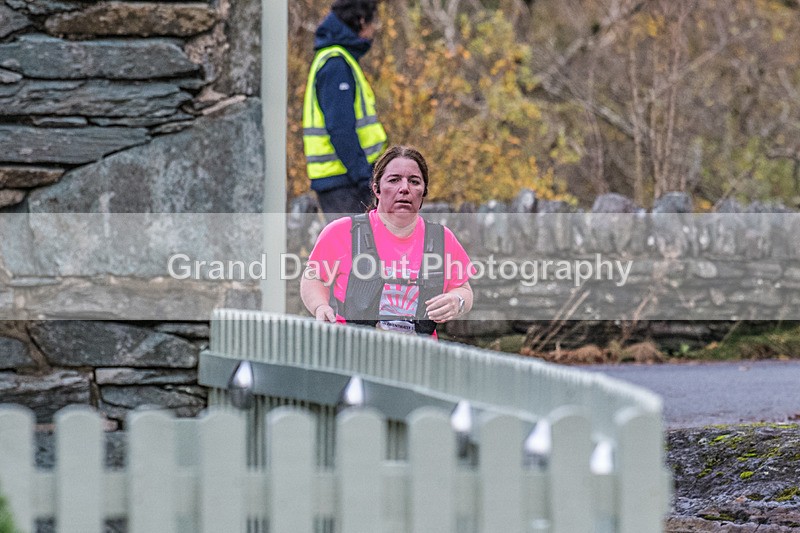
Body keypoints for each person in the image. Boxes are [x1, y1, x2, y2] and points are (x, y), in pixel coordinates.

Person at [300, 146, 474, 337]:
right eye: (394, 180)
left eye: (414, 181)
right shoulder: (343, 232)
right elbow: (313, 277)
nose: (404, 188)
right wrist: (320, 307)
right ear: (376, 189)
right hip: (353, 353)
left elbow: (463, 289)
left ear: (423, 192)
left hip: (420, 358)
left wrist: (457, 301)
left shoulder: (441, 238)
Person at [303, 0, 388, 219]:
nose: (375, 28)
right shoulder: (336, 65)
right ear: (361, 21)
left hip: (343, 180)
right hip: (345, 183)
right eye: (373, 21)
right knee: (355, 251)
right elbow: (340, 129)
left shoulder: (337, 59)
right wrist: (365, 178)